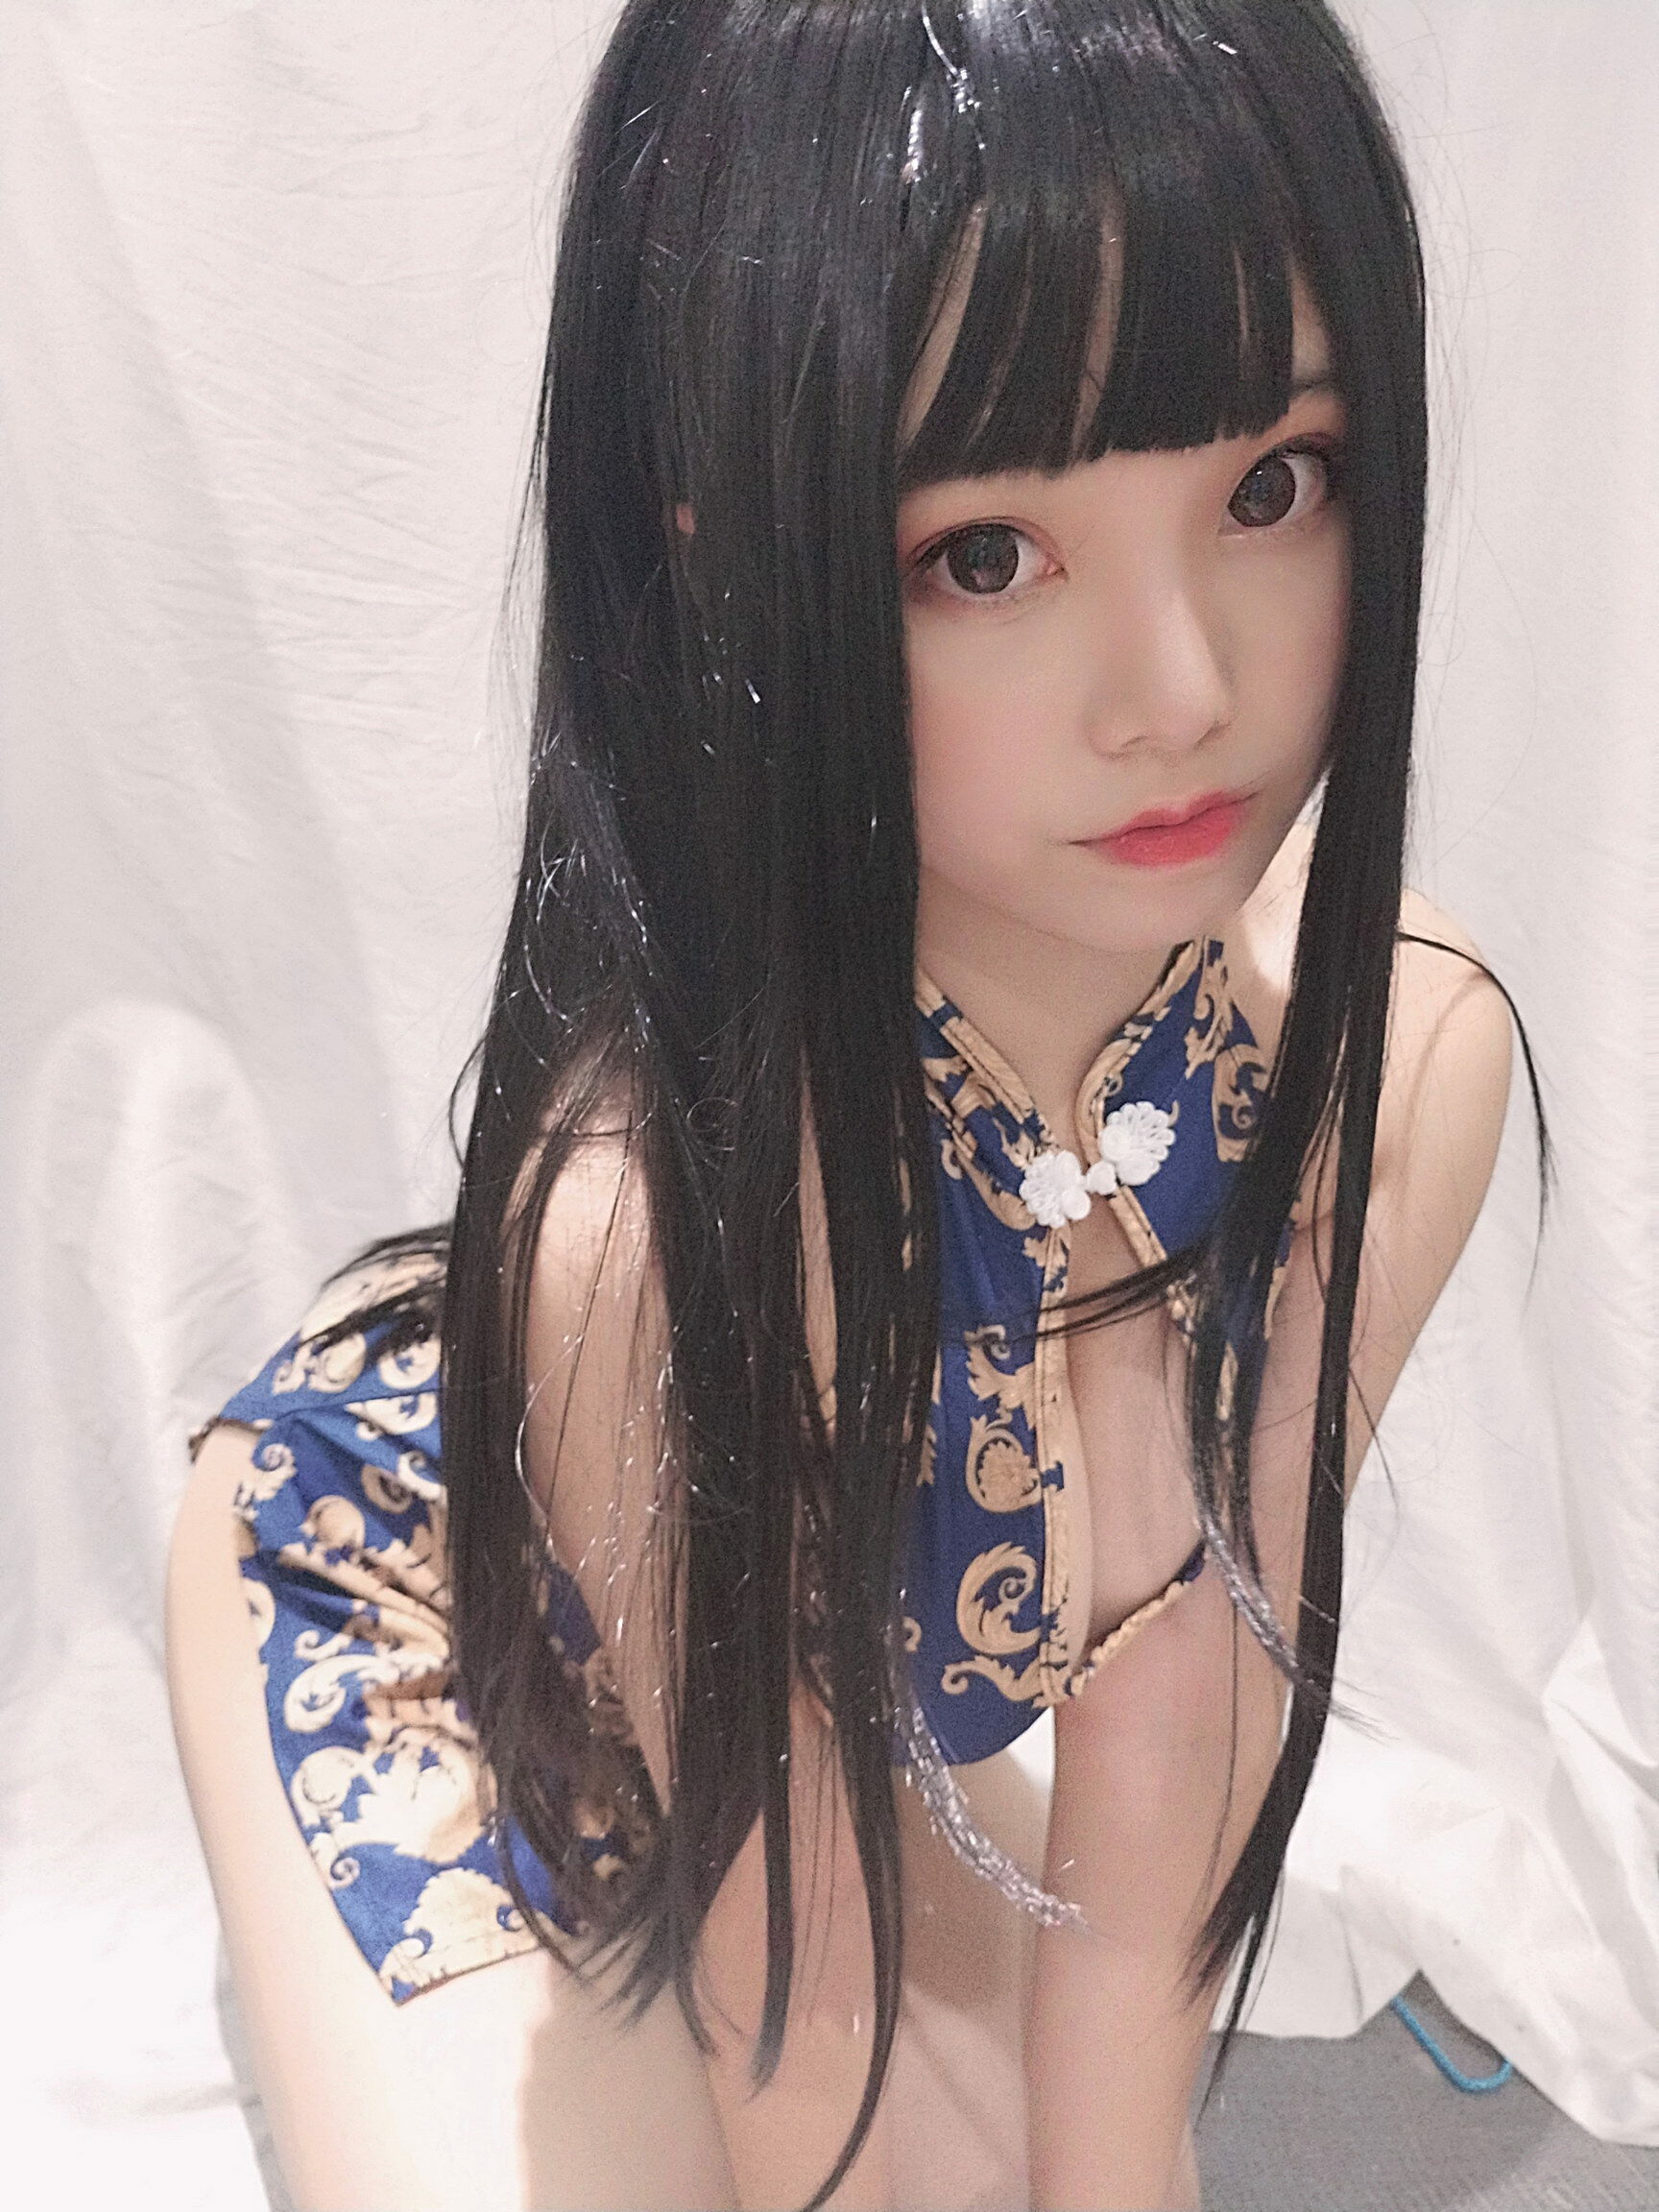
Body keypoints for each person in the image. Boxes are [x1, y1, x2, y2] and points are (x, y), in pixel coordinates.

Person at [165, 3, 1544, 2206]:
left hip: (809, 1680)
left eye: (1273, 485)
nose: (1183, 687)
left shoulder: (1394, 1071)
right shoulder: (660, 1234)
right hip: (427, 1592)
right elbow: (795, 2004)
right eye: (986, 551)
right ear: (734, 553)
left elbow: (1178, 1751)